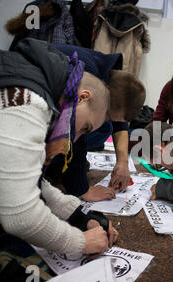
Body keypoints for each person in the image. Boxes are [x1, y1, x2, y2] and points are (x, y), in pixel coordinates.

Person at [0, 39, 119, 269]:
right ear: (82, 97)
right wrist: (80, 242)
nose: (74, 140)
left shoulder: (34, 80)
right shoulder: (28, 101)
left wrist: (80, 217)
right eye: (84, 128)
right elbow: (20, 215)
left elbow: (26, 175)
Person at [45, 43, 146, 201]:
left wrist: (123, 162)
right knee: (97, 130)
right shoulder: (87, 73)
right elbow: (75, 135)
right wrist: (82, 190)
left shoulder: (110, 79)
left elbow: (119, 122)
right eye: (107, 116)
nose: (106, 121)